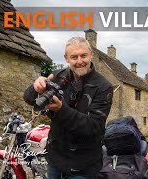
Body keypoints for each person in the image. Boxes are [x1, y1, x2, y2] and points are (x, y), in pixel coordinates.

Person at [23, 37, 113, 179]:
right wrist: (35, 87)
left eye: (83, 55)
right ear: (66, 58)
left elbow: (94, 127)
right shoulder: (57, 75)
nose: (79, 61)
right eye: (74, 57)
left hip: (84, 165)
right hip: (55, 159)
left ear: (91, 54)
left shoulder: (103, 87)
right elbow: (29, 99)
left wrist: (61, 110)